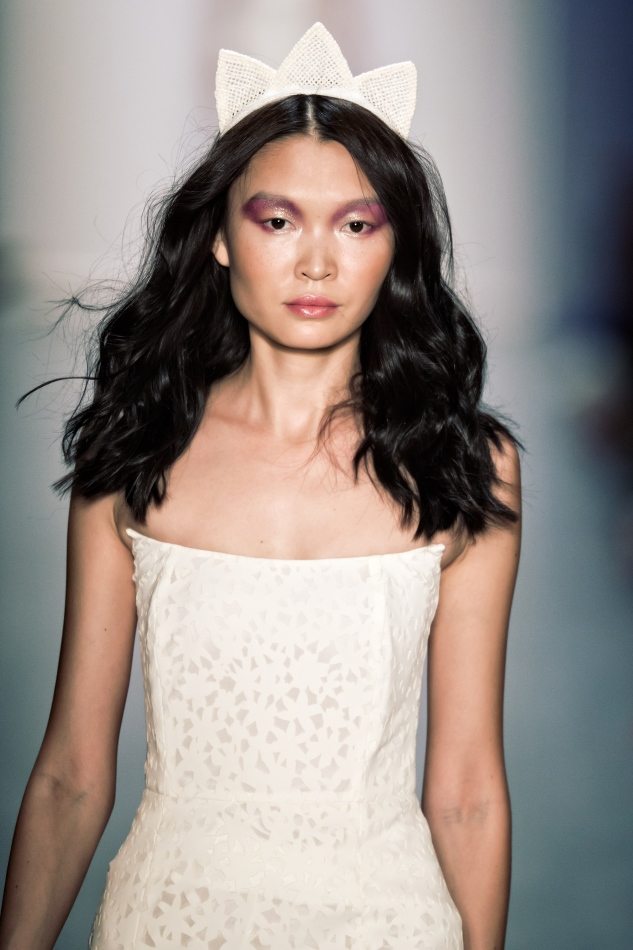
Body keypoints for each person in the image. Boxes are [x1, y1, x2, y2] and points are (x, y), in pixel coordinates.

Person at [0, 22, 522, 950]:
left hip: (390, 925)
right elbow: (72, 774)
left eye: (355, 224)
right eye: (277, 221)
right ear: (217, 238)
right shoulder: (136, 451)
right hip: (165, 921)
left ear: (395, 246)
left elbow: (468, 790)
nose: (315, 262)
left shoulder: (462, 463)